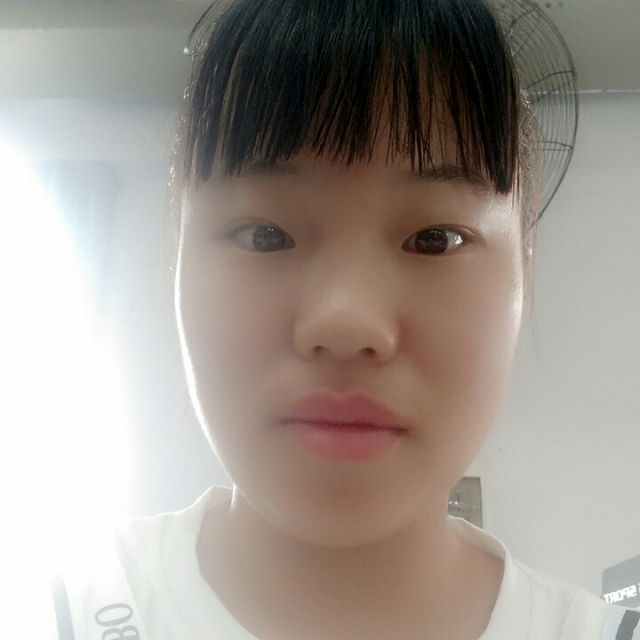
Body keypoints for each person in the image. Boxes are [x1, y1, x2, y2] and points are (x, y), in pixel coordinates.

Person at [45, 0, 639, 638]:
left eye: (435, 239)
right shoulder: (58, 614)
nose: (348, 324)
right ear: (178, 256)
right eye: (266, 235)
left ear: (524, 267)